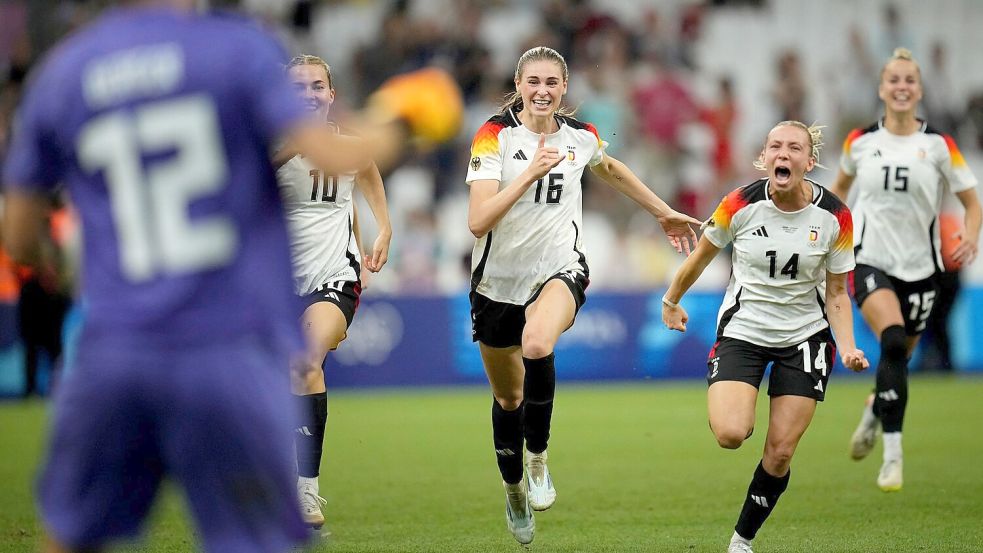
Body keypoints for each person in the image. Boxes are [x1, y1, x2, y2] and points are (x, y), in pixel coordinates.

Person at [0, 1, 387, 551]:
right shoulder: (235, 51)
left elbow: (18, 236)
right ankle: (303, 489)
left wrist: (58, 266)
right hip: (220, 348)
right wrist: (403, 119)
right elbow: (333, 149)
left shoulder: (65, 70)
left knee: (66, 535)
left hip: (113, 351)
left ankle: (309, 485)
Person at [465, 46, 700, 545]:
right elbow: (478, 221)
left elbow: (609, 168)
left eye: (552, 82)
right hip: (496, 284)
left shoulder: (581, 136)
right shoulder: (494, 137)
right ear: (518, 83)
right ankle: (513, 493)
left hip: (558, 267)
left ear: (564, 87)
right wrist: (528, 173)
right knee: (508, 397)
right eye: (533, 82)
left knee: (537, 344)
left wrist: (662, 211)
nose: (542, 90)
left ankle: (539, 460)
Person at [663, 121, 870, 553]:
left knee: (779, 453)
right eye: (775, 146)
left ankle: (742, 540)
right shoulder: (739, 203)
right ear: (764, 156)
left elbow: (836, 292)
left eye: (794, 148)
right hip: (745, 330)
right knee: (731, 434)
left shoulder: (835, 217)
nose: (783, 153)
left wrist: (847, 346)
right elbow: (701, 258)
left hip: (805, 336)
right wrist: (671, 299)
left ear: (808, 162)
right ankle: (733, 398)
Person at [832, 47, 980, 492]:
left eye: (909, 80)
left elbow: (972, 202)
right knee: (893, 342)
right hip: (870, 258)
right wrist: (830, 239)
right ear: (881, 88)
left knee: (900, 357)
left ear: (918, 89)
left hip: (922, 268)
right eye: (893, 80)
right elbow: (838, 193)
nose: (901, 87)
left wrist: (970, 234)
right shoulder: (859, 142)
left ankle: (875, 411)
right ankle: (893, 457)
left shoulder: (938, 145)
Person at [272, 54, 391, 529]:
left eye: (317, 86)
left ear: (332, 94)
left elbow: (366, 171)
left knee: (305, 362)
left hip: (334, 277)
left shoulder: (348, 145)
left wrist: (384, 226)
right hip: (274, 284)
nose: (309, 95)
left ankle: (306, 492)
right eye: (298, 88)